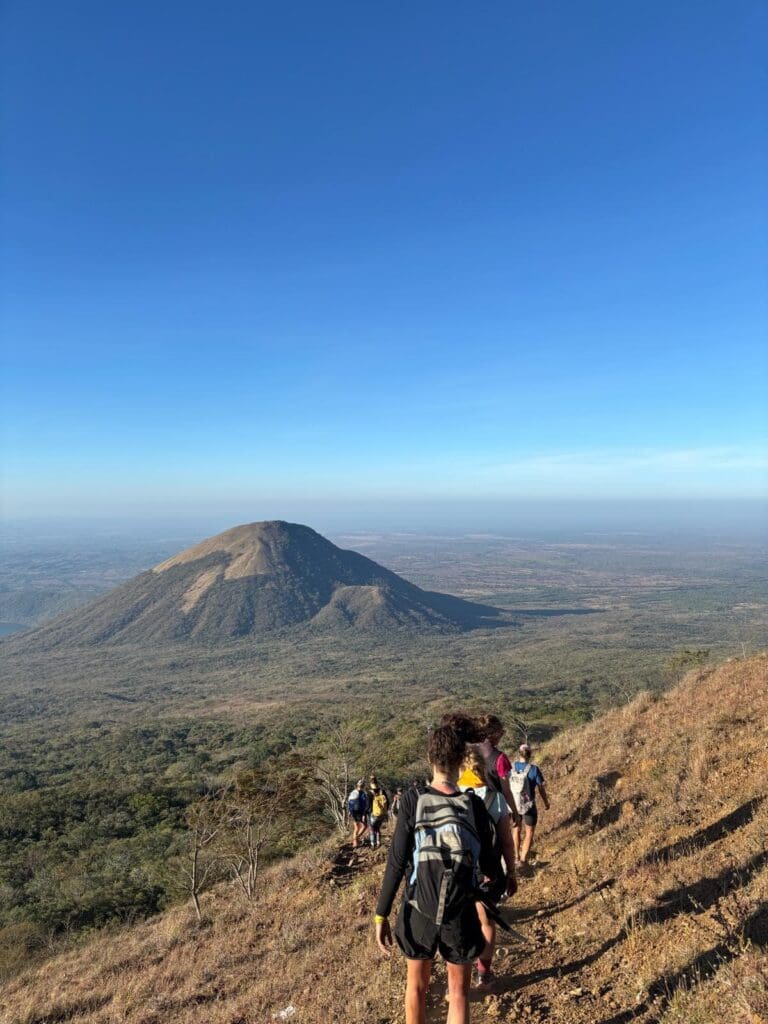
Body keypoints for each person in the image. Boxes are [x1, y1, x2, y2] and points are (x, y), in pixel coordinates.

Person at [374, 723, 501, 1024]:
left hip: (419, 907)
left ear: (429, 758)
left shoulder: (412, 800)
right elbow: (491, 870)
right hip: (460, 910)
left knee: (416, 987)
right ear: (461, 761)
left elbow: (396, 862)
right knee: (458, 993)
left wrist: (381, 914)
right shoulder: (473, 806)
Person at [457, 747, 517, 988]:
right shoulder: (495, 798)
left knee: (459, 923)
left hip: (458, 872)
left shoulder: (451, 796)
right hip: (488, 873)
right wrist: (511, 872)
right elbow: (506, 842)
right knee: (486, 923)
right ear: (483, 768)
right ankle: (484, 972)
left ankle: (458, 979)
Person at [474, 714, 522, 858]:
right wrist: (515, 811)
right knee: (502, 844)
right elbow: (506, 791)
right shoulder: (500, 759)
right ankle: (510, 872)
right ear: (493, 733)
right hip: (494, 807)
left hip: (471, 805)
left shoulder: (470, 754)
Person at [510, 744, 550, 869]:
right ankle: (523, 860)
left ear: (519, 754)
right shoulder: (534, 769)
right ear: (530, 754)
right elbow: (541, 787)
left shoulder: (511, 768)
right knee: (529, 832)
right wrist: (546, 802)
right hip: (529, 806)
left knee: (516, 830)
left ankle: (515, 857)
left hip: (514, 805)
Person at [347, 779, 369, 849]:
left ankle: (355, 844)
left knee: (356, 827)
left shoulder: (353, 792)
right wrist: (364, 814)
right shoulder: (363, 794)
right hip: (359, 812)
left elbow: (349, 802)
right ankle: (356, 838)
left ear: (357, 785)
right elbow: (364, 805)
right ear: (363, 786)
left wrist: (349, 811)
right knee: (364, 826)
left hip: (352, 811)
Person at [369, 784, 390, 848]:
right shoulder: (383, 797)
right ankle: (378, 842)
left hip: (375, 815)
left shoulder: (375, 798)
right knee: (377, 829)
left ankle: (372, 844)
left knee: (372, 829)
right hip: (382, 815)